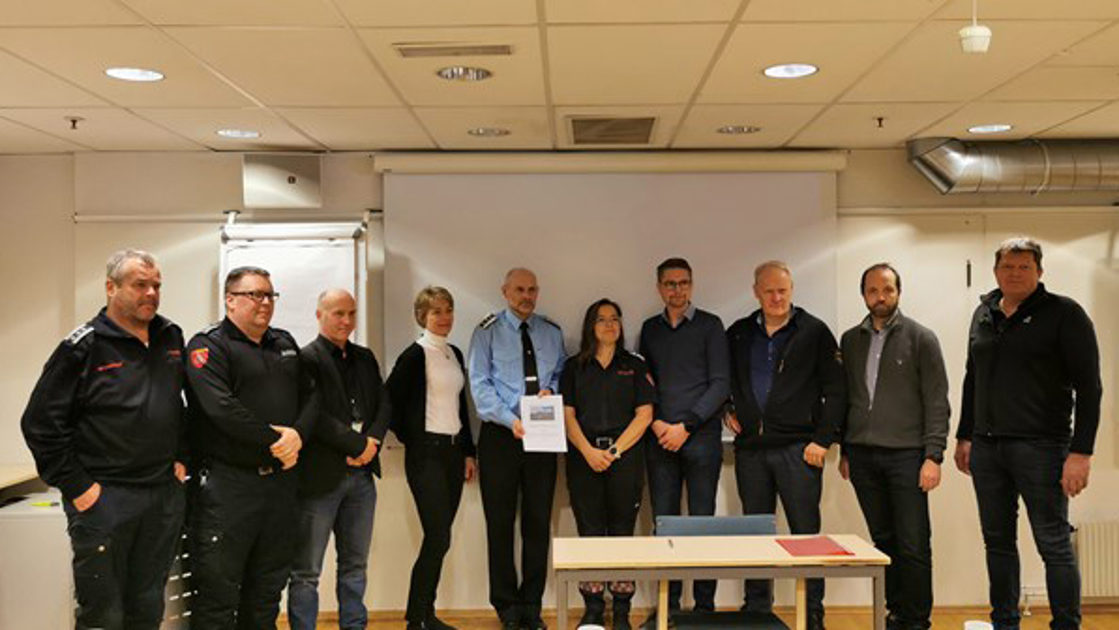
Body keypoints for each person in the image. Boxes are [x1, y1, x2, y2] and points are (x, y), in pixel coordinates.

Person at [21, 249, 187, 630]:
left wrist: (183, 456)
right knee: (104, 614)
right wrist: (78, 487)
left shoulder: (170, 335)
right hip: (105, 498)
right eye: (140, 285)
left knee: (148, 607)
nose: (151, 293)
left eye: (156, 285)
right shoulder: (82, 347)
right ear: (111, 288)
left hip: (161, 496)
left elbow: (177, 405)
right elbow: (40, 423)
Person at [954, 237, 1101, 630]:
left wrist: (1081, 453)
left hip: (1043, 448)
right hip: (987, 448)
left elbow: (1090, 388)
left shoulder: (1065, 314)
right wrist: (965, 436)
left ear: (1039, 271)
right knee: (998, 543)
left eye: (1024, 267)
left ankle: (1066, 624)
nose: (1015, 273)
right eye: (1007, 266)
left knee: (1053, 543)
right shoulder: (983, 313)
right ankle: (1004, 623)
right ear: (995, 271)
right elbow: (973, 378)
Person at [185, 266, 316, 629]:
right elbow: (221, 409)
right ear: (230, 300)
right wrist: (276, 441)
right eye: (254, 294)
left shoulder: (284, 343)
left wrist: (297, 436)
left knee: (266, 594)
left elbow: (312, 396)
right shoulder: (208, 345)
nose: (265, 302)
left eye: (270, 295)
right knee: (218, 596)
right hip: (229, 487)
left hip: (279, 488)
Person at [725, 260, 845, 630]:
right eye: (769, 291)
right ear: (756, 292)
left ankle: (813, 614)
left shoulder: (814, 331)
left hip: (799, 450)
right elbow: (722, 379)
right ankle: (757, 611)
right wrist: (727, 408)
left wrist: (822, 439)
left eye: (783, 290)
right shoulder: (739, 333)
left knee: (806, 535)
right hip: (751, 451)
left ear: (791, 290)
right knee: (756, 535)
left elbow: (837, 390)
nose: (776, 298)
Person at [838, 263, 950, 630]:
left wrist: (933, 456)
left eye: (887, 289)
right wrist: (846, 450)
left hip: (907, 456)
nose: (880, 297)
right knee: (883, 540)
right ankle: (896, 612)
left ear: (898, 292)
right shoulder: (850, 341)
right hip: (862, 456)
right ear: (863, 295)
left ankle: (916, 620)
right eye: (872, 290)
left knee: (913, 542)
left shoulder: (921, 338)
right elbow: (846, 398)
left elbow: (937, 401)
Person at [287, 289, 391, 630]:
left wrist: (372, 443)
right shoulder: (306, 359)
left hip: (362, 479)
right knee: (306, 571)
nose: (346, 321)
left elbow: (383, 404)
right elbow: (314, 416)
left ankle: (354, 625)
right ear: (320, 315)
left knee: (355, 566)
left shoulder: (365, 357)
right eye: (338, 313)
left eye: (351, 313)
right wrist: (356, 445)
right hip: (321, 478)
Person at [468, 267, 565, 630]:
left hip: (542, 435)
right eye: (520, 289)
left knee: (538, 523)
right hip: (501, 437)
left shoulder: (552, 332)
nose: (527, 296)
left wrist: (551, 392)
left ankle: (531, 605)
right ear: (505, 291)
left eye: (532, 289)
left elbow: (560, 374)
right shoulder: (487, 331)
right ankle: (506, 606)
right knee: (500, 523)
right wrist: (512, 421)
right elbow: (480, 386)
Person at [638, 257, 729, 613]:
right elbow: (645, 383)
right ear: (659, 288)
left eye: (684, 283)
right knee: (666, 525)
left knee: (703, 523)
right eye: (670, 284)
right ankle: (669, 608)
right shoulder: (650, 330)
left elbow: (720, 384)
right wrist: (658, 423)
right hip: (660, 438)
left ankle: (704, 608)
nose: (678, 290)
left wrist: (686, 426)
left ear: (692, 285)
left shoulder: (710, 325)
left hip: (701, 438)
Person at [560, 298, 655, 630]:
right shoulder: (574, 367)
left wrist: (613, 452)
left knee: (622, 533)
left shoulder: (635, 365)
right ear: (591, 326)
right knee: (590, 533)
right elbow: (567, 416)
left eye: (615, 318)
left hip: (624, 459)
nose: (609, 324)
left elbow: (645, 415)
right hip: (583, 457)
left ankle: (622, 609)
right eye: (601, 319)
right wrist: (588, 451)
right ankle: (593, 608)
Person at [387, 286, 477, 630]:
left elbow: (460, 408)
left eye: (448, 310)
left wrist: (468, 451)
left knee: (442, 537)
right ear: (422, 316)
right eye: (436, 311)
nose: (444, 317)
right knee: (437, 536)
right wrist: (416, 440)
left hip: (454, 455)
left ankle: (426, 614)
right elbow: (389, 404)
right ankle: (417, 619)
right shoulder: (414, 355)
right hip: (426, 457)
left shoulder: (453, 353)